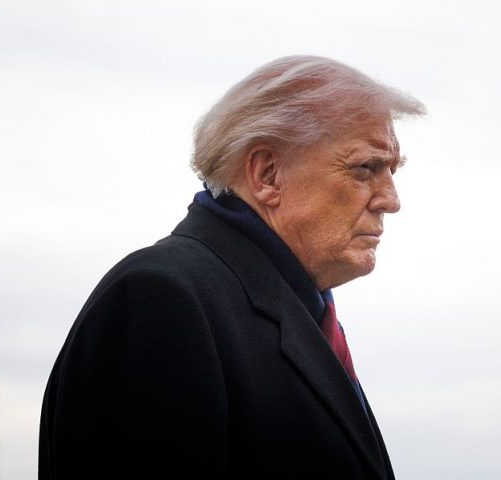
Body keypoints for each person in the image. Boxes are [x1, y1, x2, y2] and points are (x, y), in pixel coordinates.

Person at [39, 55, 425, 479]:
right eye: (366, 168)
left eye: (391, 170)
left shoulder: (290, 306)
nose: (391, 199)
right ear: (267, 174)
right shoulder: (160, 301)